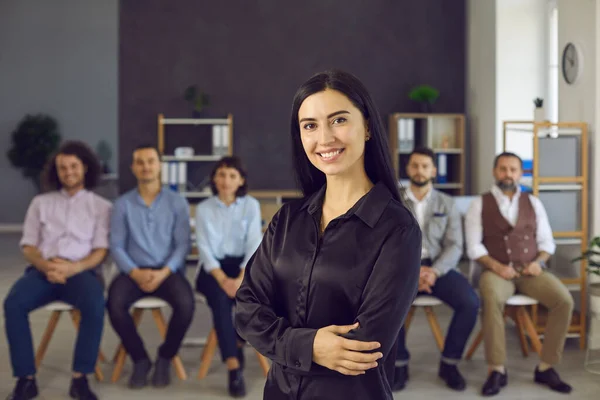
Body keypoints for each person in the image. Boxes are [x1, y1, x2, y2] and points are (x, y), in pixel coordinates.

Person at [234, 69, 421, 400]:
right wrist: (312, 345)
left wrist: (284, 342)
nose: (324, 138)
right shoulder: (287, 220)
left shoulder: (397, 229)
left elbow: (363, 346)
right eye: (310, 125)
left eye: (338, 120)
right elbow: (247, 309)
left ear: (366, 127)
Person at [3, 141, 111, 400]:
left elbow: (100, 251)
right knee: (13, 304)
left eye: (73, 166)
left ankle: (80, 379)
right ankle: (25, 380)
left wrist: (73, 268)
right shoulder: (40, 203)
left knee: (95, 303)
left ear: (85, 168)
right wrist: (47, 266)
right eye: (62, 168)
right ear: (56, 172)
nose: (68, 172)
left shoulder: (101, 207)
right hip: (43, 270)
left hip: (81, 271)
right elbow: (28, 245)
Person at [465, 152, 574, 396]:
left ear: (520, 173)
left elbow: (547, 242)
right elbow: (473, 246)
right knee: (491, 298)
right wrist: (496, 266)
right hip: (496, 270)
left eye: (513, 169)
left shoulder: (533, 202)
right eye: (503, 169)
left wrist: (539, 262)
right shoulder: (479, 204)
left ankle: (546, 367)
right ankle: (497, 369)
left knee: (564, 300)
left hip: (530, 269)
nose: (508, 174)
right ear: (495, 172)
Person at [107, 144, 194, 389]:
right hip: (132, 271)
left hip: (167, 271)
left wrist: (164, 272)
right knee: (113, 305)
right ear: (134, 167)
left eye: (151, 161)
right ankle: (140, 359)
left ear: (159, 165)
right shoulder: (122, 204)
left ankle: (165, 356)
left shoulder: (177, 203)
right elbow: (116, 246)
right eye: (140, 162)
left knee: (186, 305)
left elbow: (183, 245)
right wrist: (135, 272)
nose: (146, 166)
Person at [392, 147, 479, 392]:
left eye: (425, 166)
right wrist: (412, 272)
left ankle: (449, 363)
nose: (420, 170)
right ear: (408, 169)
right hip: (401, 269)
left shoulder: (447, 202)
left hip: (438, 267)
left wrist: (433, 272)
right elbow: (385, 244)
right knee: (386, 301)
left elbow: (455, 245)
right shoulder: (392, 200)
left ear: (434, 170)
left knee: (470, 302)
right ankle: (399, 364)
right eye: (415, 165)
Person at [194, 156, 263, 398]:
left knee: (252, 300)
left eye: (232, 175)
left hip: (244, 267)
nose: (225, 181)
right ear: (214, 178)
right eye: (221, 175)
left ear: (241, 180)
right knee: (221, 302)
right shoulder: (203, 209)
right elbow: (204, 249)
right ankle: (234, 367)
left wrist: (242, 276)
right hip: (212, 269)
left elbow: (255, 243)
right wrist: (223, 279)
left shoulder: (251, 206)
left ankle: (237, 342)